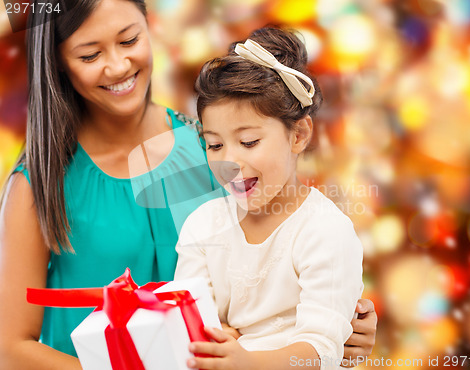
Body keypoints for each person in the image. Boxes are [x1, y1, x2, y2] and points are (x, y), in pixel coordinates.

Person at [0, 0, 376, 369]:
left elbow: (289, 269)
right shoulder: (38, 183)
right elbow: (10, 349)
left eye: (129, 40)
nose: (117, 66)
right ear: (59, 64)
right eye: (89, 55)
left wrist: (346, 321)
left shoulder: (214, 150)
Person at [174, 27, 369, 370]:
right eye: (214, 144)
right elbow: (187, 325)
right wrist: (213, 336)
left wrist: (246, 362)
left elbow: (322, 350)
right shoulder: (203, 226)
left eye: (249, 142)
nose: (229, 163)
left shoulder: (324, 231)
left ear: (299, 134)